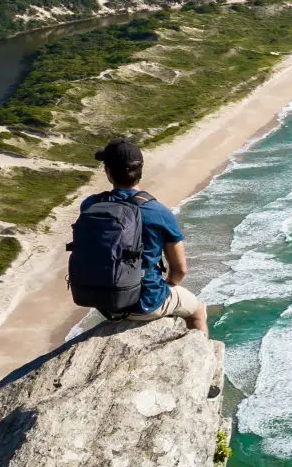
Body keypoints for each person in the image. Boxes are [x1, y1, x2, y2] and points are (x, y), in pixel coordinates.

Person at [78, 138, 208, 333]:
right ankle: (200, 355)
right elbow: (180, 270)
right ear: (140, 171)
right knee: (198, 310)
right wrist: (167, 286)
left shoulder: (90, 205)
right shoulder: (158, 212)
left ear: (108, 173)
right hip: (144, 303)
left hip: (101, 300)